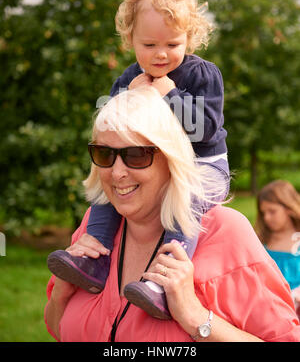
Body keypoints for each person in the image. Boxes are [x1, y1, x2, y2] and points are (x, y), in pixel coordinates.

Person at [44, 87, 300, 342]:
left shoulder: (225, 232)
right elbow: (60, 329)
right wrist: (61, 293)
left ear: (171, 158)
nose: (117, 172)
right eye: (104, 153)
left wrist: (195, 317)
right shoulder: (94, 226)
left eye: (135, 154)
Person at [47, 0, 230, 319]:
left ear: (189, 39)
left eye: (172, 45)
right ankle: (95, 261)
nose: (161, 55)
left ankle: (163, 283)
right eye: (149, 45)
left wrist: (169, 96)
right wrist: (131, 99)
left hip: (203, 166)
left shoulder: (200, 75)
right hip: (149, 166)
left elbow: (206, 129)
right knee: (109, 184)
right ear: (130, 39)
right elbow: (115, 129)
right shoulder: (128, 79)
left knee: (186, 199)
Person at [255, 180, 300, 319]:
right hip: (266, 310)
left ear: (289, 209)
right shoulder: (261, 241)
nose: (267, 218)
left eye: (272, 211)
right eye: (263, 213)